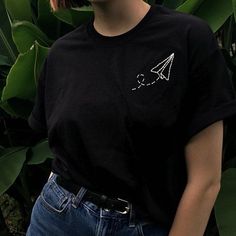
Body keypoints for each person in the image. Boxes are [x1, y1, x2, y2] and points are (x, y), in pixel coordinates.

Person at [26, 0, 236, 235]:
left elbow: (205, 181)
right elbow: (60, 154)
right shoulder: (61, 55)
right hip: (57, 218)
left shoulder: (187, 37)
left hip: (141, 226)